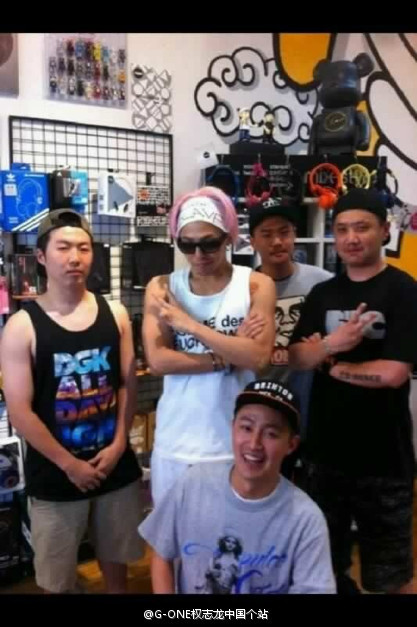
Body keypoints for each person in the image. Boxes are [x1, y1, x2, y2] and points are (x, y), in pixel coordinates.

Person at [0, 209, 143, 594]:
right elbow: (20, 411)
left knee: (117, 568)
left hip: (114, 466)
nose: (75, 257)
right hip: (55, 475)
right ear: (41, 256)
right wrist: (70, 465)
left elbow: (127, 385)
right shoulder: (22, 326)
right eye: (63, 248)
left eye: (83, 248)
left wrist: (118, 445)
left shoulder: (115, 313)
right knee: (57, 580)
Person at [288, 188, 417, 595]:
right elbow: (296, 356)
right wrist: (329, 345)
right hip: (324, 455)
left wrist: (333, 363)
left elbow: (393, 373)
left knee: (391, 576)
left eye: (362, 227)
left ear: (384, 230)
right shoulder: (323, 294)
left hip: (385, 458)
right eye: (342, 229)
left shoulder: (404, 291)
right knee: (324, 567)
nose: (351, 238)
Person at [138, 378, 336, 594]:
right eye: (247, 428)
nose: (254, 443)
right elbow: (161, 554)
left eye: (271, 434)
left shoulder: (306, 520)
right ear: (232, 427)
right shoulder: (193, 483)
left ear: (291, 445)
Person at [142, 186, 276, 505]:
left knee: (232, 535)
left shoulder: (256, 285)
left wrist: (188, 325)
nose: (198, 255)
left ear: (228, 238)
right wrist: (229, 354)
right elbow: (158, 361)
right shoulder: (162, 286)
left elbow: (259, 357)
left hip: (234, 443)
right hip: (176, 441)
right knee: (173, 535)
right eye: (187, 245)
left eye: (209, 243)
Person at [249, 197, 332, 476]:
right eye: (266, 234)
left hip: (310, 409)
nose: (277, 242)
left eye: (284, 232)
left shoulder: (321, 282)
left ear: (295, 235)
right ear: (252, 241)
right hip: (260, 410)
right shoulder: (242, 288)